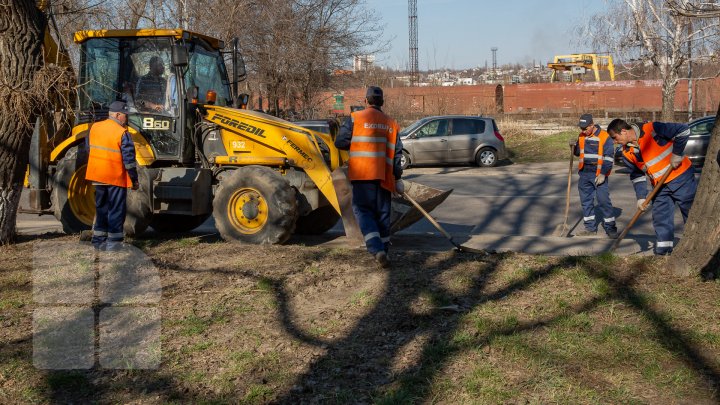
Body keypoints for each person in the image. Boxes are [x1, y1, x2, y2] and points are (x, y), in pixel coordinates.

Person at [335, 86, 403, 268]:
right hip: (384, 176)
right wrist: (398, 177)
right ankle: (384, 251)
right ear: (382, 102)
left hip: (362, 175)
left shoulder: (355, 118)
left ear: (365, 101)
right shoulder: (391, 123)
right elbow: (397, 153)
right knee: (382, 214)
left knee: (363, 211)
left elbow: (340, 142)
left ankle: (376, 249)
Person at [606, 118, 697, 255]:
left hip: (681, 177)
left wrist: (677, 154)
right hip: (659, 187)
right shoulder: (627, 153)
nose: (614, 141)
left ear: (623, 131)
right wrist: (641, 198)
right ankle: (663, 252)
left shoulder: (651, 129)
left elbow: (684, 129)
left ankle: (694, 249)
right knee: (661, 218)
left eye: (615, 137)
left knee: (691, 213)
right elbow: (637, 175)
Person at [85, 101, 139, 251]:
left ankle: (98, 242)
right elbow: (129, 161)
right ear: (117, 115)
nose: (126, 119)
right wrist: (134, 179)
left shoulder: (94, 127)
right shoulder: (122, 132)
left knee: (101, 208)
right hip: (115, 177)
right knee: (116, 209)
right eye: (124, 115)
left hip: (97, 176)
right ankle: (114, 245)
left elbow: (88, 149)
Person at [571, 113, 618, 238]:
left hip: (598, 175)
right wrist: (573, 146)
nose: (583, 131)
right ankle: (590, 228)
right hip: (584, 174)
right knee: (586, 202)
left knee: (603, 201)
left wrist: (603, 173)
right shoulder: (581, 136)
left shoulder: (604, 137)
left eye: (585, 128)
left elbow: (608, 158)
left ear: (592, 125)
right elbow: (577, 153)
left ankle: (610, 228)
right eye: (581, 128)